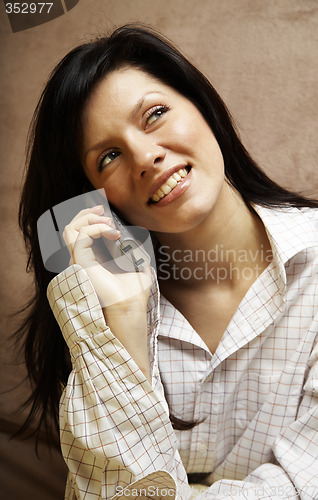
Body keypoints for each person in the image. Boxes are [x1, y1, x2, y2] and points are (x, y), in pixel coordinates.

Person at [17, 25, 318, 499]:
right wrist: (123, 321)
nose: (145, 156)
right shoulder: (102, 310)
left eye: (155, 114)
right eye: (109, 156)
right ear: (93, 199)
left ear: (203, 107)